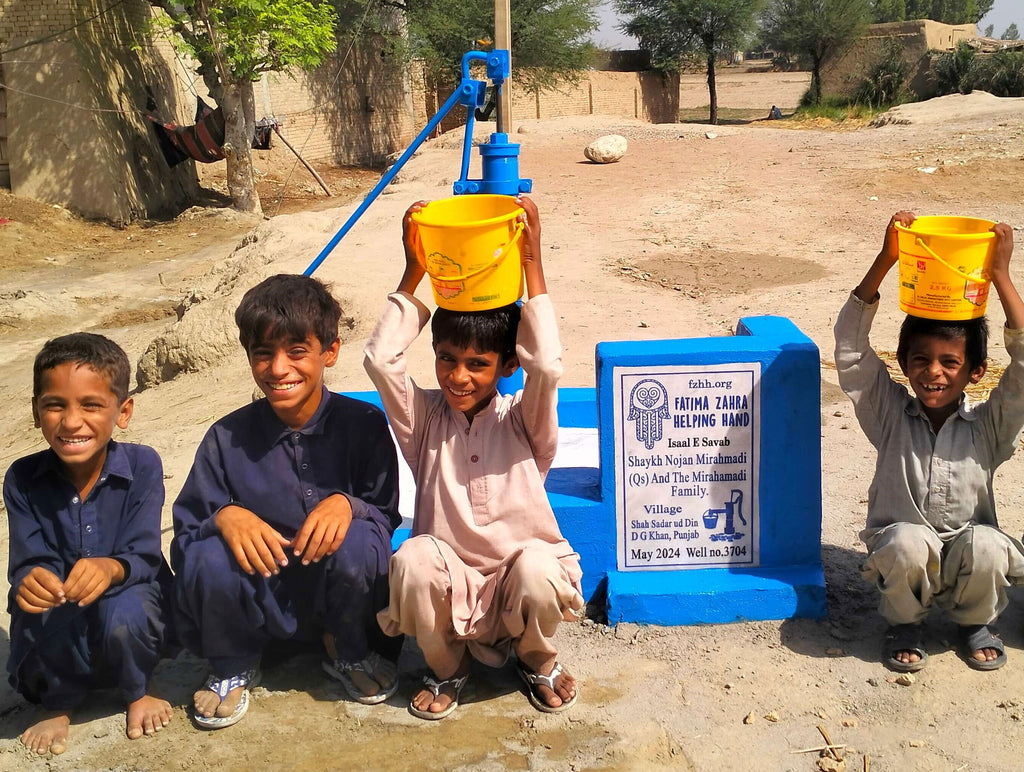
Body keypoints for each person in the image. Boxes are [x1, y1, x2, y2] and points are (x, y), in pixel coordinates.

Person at [363, 195, 583, 720]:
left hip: (516, 584)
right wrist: (415, 268)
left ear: (506, 364)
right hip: (450, 582)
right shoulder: (425, 421)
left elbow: (547, 368)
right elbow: (380, 358)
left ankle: (535, 659)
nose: (458, 377)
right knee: (412, 560)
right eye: (447, 360)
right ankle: (447, 669)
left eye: (477, 365)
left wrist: (532, 263)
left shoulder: (522, 422)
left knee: (535, 566)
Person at [172, 274, 402, 729]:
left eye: (297, 352)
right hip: (259, 601)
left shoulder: (364, 425)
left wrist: (348, 506)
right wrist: (225, 515)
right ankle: (233, 662)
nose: (279, 369)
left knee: (358, 538)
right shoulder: (225, 437)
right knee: (208, 551)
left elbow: (386, 516)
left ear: (329, 352)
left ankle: (348, 649)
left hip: (341, 597)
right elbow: (185, 538)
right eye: (263, 353)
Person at [835, 212, 1024, 673]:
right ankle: (905, 623)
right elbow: (850, 347)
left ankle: (973, 623)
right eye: (920, 359)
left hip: (966, 562)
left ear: (976, 372)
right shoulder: (888, 415)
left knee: (989, 545)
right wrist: (887, 258)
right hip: (904, 557)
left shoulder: (990, 426)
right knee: (906, 540)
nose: (933, 372)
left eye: (950, 362)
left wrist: (1000, 274)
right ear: (902, 362)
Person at [4, 333, 173, 755]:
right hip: (62, 622)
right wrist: (32, 578)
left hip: (126, 608)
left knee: (131, 606)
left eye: (91, 405)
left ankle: (138, 687)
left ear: (123, 410)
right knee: (37, 605)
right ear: (36, 411)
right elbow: (27, 557)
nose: (71, 421)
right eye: (55, 405)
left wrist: (111, 568)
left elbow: (144, 554)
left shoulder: (143, 464)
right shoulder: (21, 477)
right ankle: (59, 702)